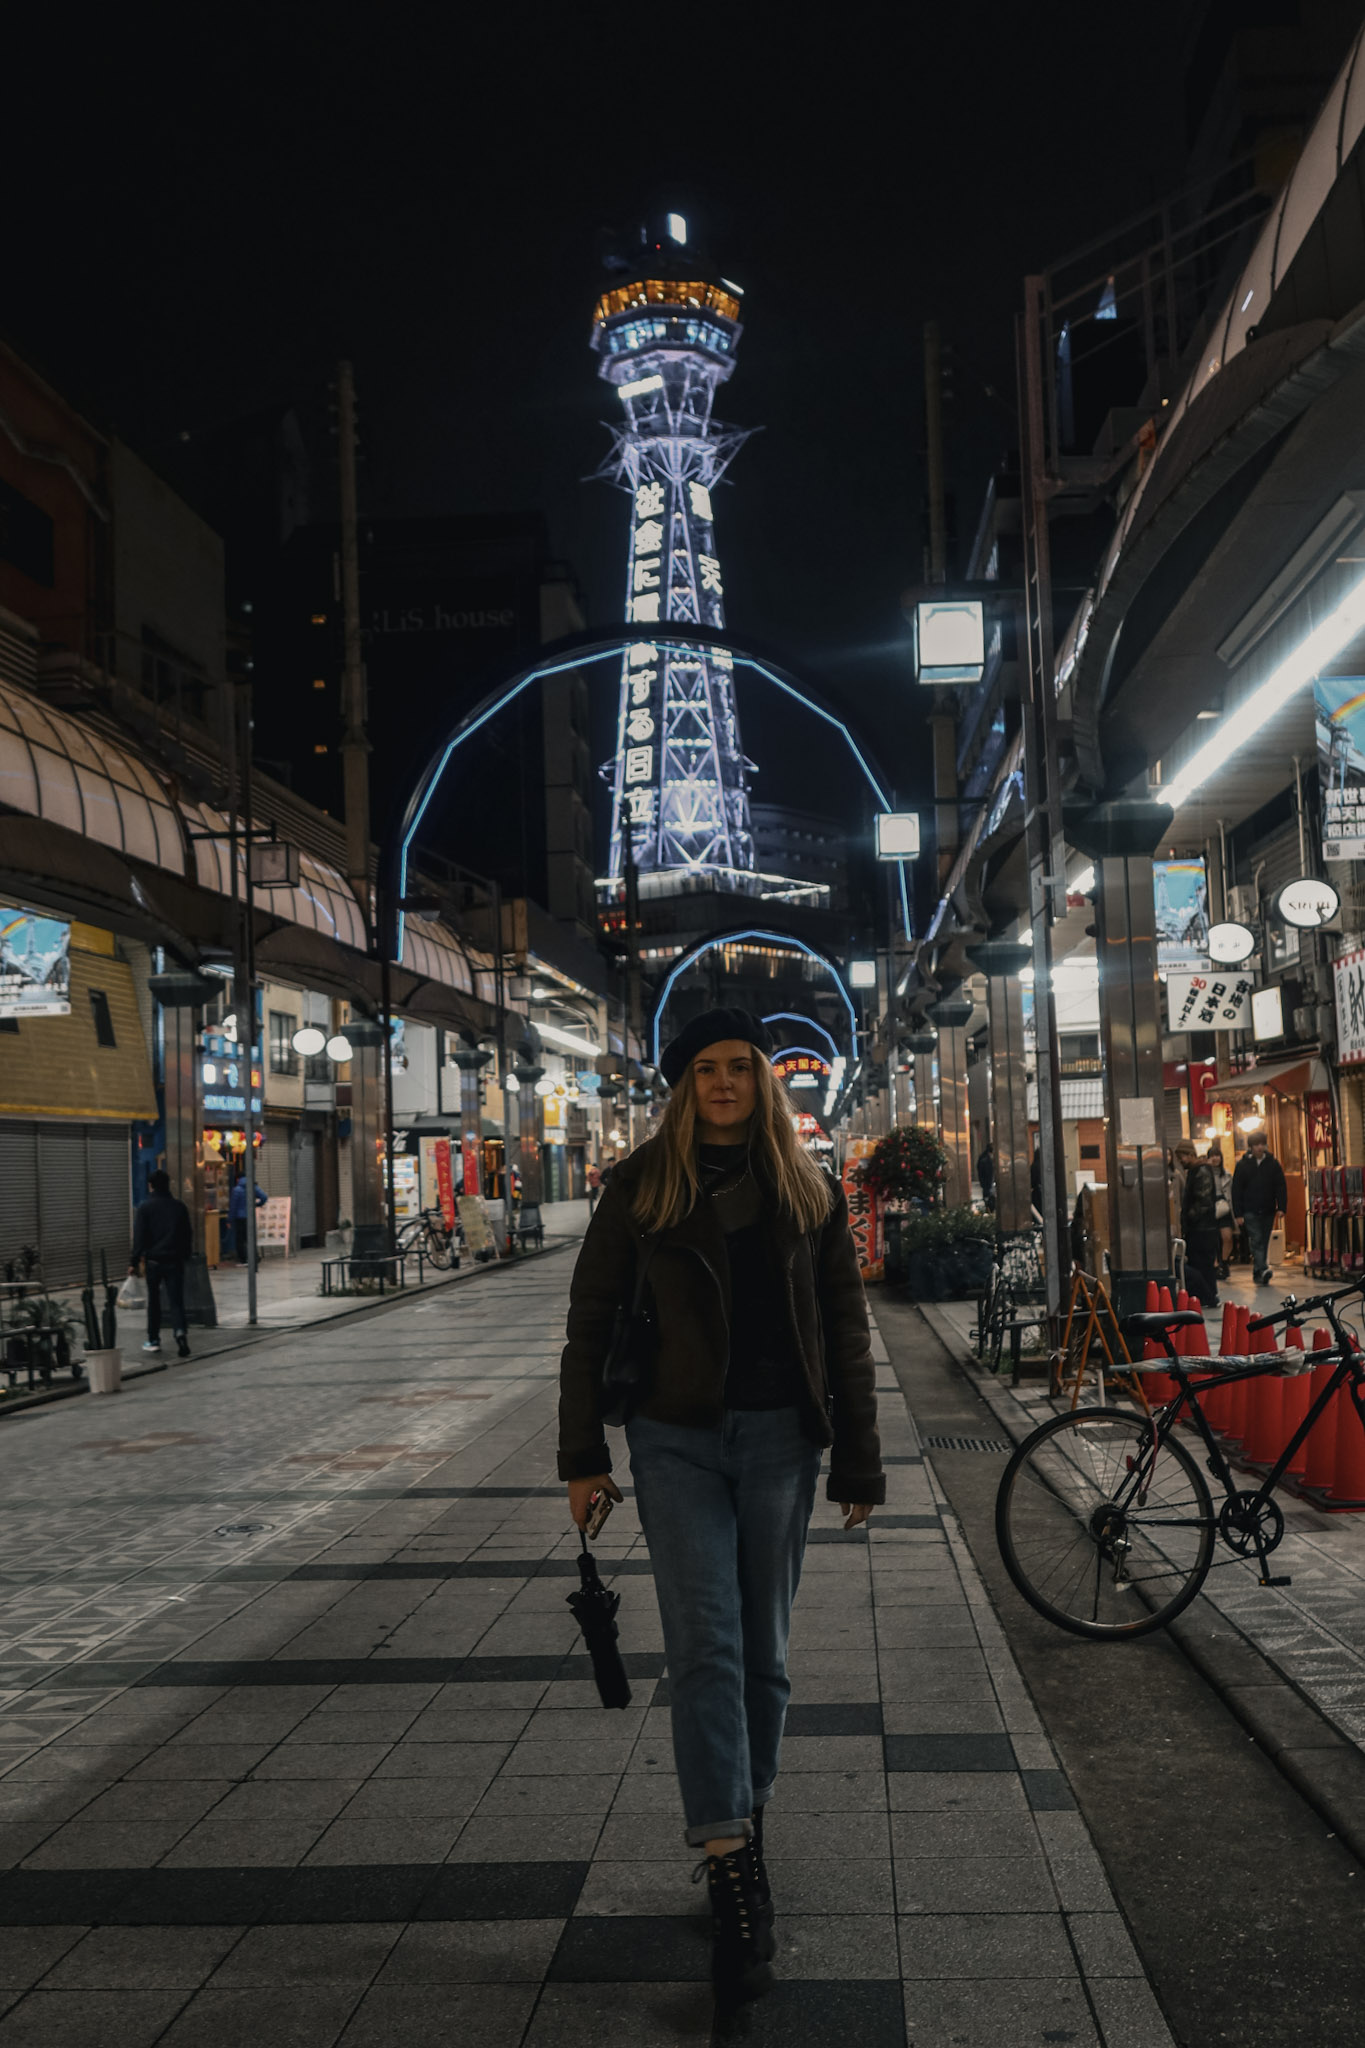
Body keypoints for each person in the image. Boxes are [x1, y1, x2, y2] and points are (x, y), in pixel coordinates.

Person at [559, 1008, 882, 2007]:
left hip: (781, 1436)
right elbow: (590, 1318)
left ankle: (744, 1807)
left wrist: (859, 1459)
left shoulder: (807, 1187)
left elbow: (846, 1326)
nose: (726, 1081)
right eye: (708, 1068)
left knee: (765, 1656)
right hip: (675, 1437)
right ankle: (733, 1858)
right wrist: (581, 1451)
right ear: (684, 1081)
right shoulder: (642, 1183)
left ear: (764, 1081)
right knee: (704, 1645)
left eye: (741, 1066)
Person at [130, 1169, 193, 1358]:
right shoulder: (179, 1207)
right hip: (174, 1260)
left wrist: (133, 1261)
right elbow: (187, 1234)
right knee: (176, 1301)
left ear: (151, 1186)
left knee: (154, 1302)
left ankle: (154, 1339)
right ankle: (180, 1333)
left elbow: (140, 1237)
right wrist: (185, 1255)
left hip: (154, 1262)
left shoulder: (145, 1208)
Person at [1232, 1130, 1289, 1287]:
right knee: (1256, 1240)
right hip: (1249, 1210)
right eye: (1256, 1145)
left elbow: (1280, 1186)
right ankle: (1263, 1268)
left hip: (1268, 1209)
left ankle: (1258, 1273)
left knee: (1263, 1241)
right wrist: (1238, 1213)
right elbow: (1236, 1190)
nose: (1259, 1147)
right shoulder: (1243, 1165)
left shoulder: (1273, 1163)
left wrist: (1282, 1206)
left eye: (1262, 1144)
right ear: (1250, 1147)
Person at [1178, 1139, 1221, 1306]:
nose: (1181, 1161)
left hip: (1203, 1230)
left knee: (1202, 1265)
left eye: (1182, 1157)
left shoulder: (1201, 1171)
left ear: (1190, 1154)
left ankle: (1208, 1297)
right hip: (1202, 1229)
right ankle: (1207, 1296)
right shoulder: (1196, 1171)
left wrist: (1188, 1217)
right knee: (1202, 1265)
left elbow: (1203, 1201)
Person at [228, 1169, 266, 1266]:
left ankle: (243, 1260)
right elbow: (264, 1197)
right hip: (250, 1217)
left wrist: (229, 1219)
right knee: (250, 1238)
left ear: (238, 1179)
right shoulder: (253, 1187)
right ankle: (255, 1257)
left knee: (240, 1240)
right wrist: (256, 1204)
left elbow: (233, 1207)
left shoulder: (236, 1190)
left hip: (240, 1218)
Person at [1207, 1144, 1234, 1279]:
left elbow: (1232, 1192)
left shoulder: (1227, 1175)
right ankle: (1216, 1265)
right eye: (1212, 1155)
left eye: (1217, 1155)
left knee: (1227, 1237)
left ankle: (1224, 1262)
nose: (1215, 1158)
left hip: (1225, 1207)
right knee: (1212, 1238)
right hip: (1210, 1207)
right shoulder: (1205, 1174)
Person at [976, 1142, 995, 1210]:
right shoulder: (986, 1159)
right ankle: (989, 1207)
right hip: (987, 1181)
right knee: (988, 1194)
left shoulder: (983, 1157)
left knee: (987, 1194)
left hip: (986, 1181)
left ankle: (989, 1207)